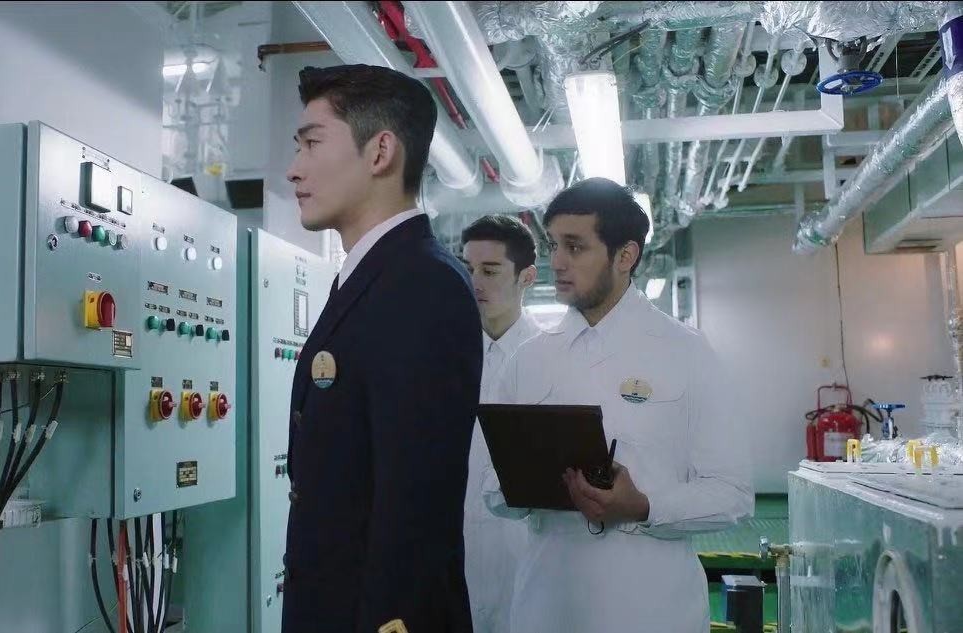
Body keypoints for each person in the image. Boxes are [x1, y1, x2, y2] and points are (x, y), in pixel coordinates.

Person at [489, 178, 753, 633]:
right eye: (553, 245)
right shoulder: (526, 360)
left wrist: (643, 506)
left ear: (625, 256)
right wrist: (524, 485)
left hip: (652, 612)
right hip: (547, 609)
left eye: (575, 247)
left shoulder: (686, 352)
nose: (557, 262)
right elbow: (490, 488)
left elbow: (733, 494)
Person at [282, 64, 483, 633]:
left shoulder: (422, 285)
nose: (293, 168)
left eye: (312, 143)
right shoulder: (374, 277)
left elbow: (417, 506)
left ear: (380, 153)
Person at [458, 214, 539, 633]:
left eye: (490, 271)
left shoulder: (550, 361)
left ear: (527, 277)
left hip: (525, 561)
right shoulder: (442, 357)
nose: (475, 282)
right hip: (453, 559)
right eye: (468, 269)